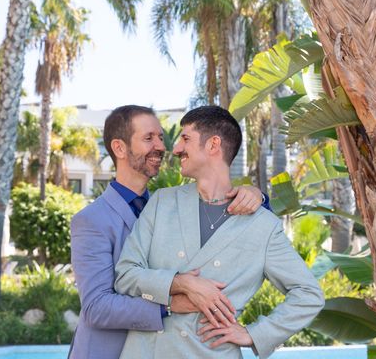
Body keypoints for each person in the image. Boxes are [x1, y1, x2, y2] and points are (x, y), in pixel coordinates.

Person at [114, 106, 324, 359]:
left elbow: (309, 294)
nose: (177, 148)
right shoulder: (162, 202)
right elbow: (125, 276)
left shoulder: (262, 226)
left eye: (186, 139)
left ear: (213, 145)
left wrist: (254, 334)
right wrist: (181, 283)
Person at [68, 105, 267, 359]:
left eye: (161, 137)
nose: (161, 147)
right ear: (119, 148)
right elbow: (97, 308)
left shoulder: (170, 205)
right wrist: (171, 304)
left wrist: (257, 196)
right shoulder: (91, 220)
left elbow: (224, 207)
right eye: (149, 138)